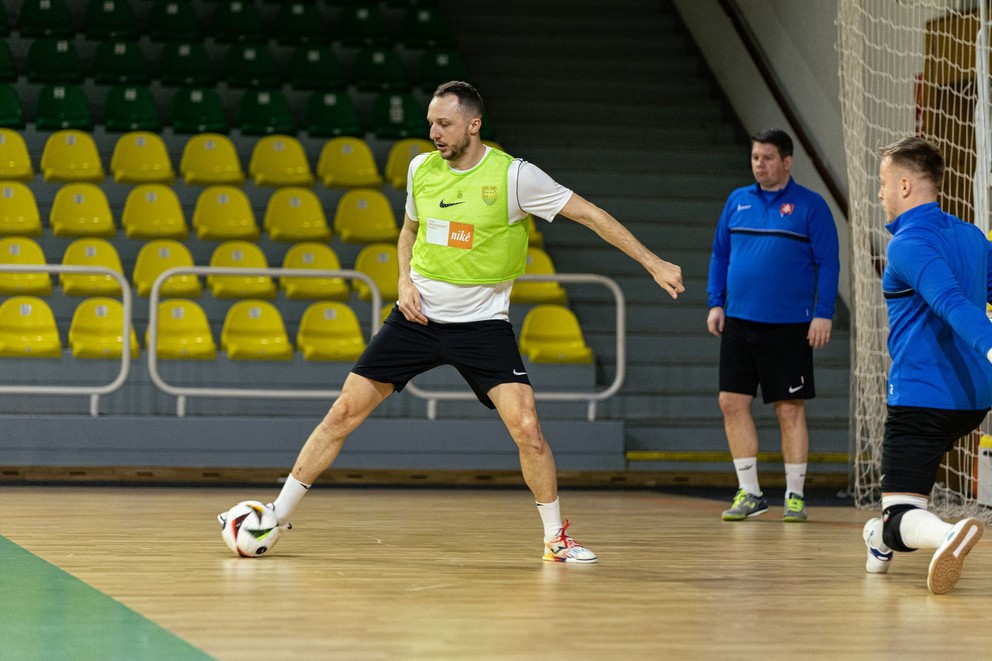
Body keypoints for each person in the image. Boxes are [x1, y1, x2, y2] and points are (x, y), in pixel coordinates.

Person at [228, 81, 685, 563]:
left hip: (482, 325)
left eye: (443, 124)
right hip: (416, 318)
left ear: (473, 124)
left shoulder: (514, 178)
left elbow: (590, 215)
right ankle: (275, 515)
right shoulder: (421, 169)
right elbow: (408, 231)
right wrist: (403, 281)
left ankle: (555, 539)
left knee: (528, 428)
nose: (434, 133)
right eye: (430, 123)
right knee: (343, 413)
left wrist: (652, 262)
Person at [861, 136, 991, 594]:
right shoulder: (973, 236)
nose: (879, 193)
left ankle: (947, 535)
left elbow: (951, 303)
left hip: (921, 400)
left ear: (904, 185)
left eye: (881, 183)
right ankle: (877, 544)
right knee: (892, 514)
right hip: (973, 401)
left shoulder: (907, 245)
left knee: (899, 518)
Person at [706, 128, 840, 523]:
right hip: (739, 322)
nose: (759, 165)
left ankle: (794, 496)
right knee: (731, 403)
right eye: (754, 158)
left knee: (789, 410)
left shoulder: (810, 206)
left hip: (789, 326)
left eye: (766, 158)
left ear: (786, 161)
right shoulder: (737, 201)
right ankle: (750, 494)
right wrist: (716, 303)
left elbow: (828, 262)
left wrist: (824, 311)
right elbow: (720, 254)